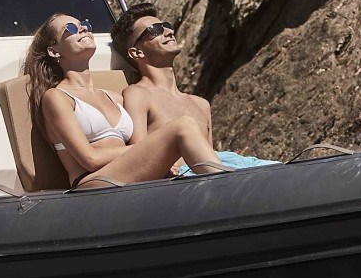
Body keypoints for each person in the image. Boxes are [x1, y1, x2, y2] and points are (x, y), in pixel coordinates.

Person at [24, 13, 228, 188]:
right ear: (54, 51)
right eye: (70, 28)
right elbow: (89, 159)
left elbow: (146, 138)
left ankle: (226, 185)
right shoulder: (57, 97)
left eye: (84, 25)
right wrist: (154, 150)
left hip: (125, 174)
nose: (83, 29)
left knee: (183, 126)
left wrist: (160, 152)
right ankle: (228, 186)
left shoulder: (114, 98)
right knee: (183, 127)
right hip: (91, 181)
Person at [110, 3, 277, 171]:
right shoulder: (138, 94)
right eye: (154, 30)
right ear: (136, 52)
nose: (168, 31)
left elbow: (209, 156)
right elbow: (139, 154)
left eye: (166, 25)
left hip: (231, 164)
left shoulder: (201, 104)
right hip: (189, 176)